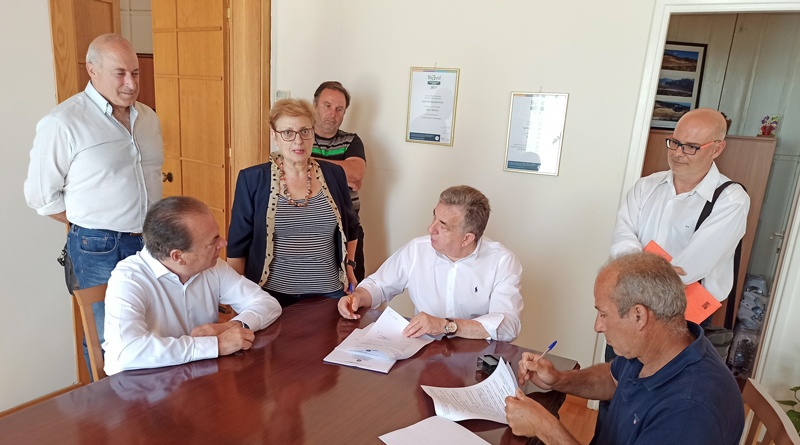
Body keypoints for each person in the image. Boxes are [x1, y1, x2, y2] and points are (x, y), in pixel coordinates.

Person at [601, 108, 749, 435]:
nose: (678, 153)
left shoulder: (730, 200)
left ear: (717, 148)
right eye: (675, 143)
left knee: (660, 399)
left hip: (680, 314)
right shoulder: (646, 187)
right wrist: (647, 273)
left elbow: (691, 267)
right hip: (627, 306)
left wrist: (638, 269)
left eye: (691, 147)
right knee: (615, 384)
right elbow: (622, 239)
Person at [23, 33, 163, 367]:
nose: (131, 83)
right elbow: (41, 196)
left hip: (151, 241)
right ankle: (108, 402)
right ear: (92, 70)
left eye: (136, 73)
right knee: (106, 338)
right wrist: (90, 223)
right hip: (98, 247)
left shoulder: (148, 117)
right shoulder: (63, 122)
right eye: (120, 73)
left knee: (152, 328)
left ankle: (148, 399)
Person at [504, 252, 744, 445]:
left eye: (603, 314)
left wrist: (545, 428)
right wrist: (559, 380)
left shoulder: (689, 412)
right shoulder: (661, 346)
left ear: (639, 316)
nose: (597, 326)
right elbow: (613, 379)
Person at [103, 196, 282, 375]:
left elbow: (268, 304)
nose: (223, 243)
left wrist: (232, 325)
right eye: (213, 241)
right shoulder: (129, 279)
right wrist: (216, 345)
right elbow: (126, 351)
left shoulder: (213, 266)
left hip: (197, 375)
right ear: (178, 256)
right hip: (141, 383)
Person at [338, 185, 523, 342]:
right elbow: (379, 285)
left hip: (474, 356)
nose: (430, 229)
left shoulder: (502, 262)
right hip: (423, 351)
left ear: (467, 238)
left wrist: (446, 325)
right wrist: (358, 297)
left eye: (442, 226)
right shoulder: (417, 249)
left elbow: (508, 325)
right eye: (434, 217)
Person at [227, 98, 359, 307]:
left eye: (305, 131)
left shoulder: (334, 174)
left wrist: (349, 266)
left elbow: (351, 228)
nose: (298, 141)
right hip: (270, 296)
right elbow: (237, 247)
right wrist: (238, 300)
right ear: (274, 136)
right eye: (288, 132)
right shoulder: (252, 179)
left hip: (329, 293)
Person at [312, 81, 368, 281]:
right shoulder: (300, 137)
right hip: (311, 230)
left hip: (348, 231)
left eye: (339, 109)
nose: (332, 114)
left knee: (354, 289)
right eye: (327, 106)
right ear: (315, 105)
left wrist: (307, 163)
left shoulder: (351, 141)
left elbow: (355, 174)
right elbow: (289, 169)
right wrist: (340, 173)